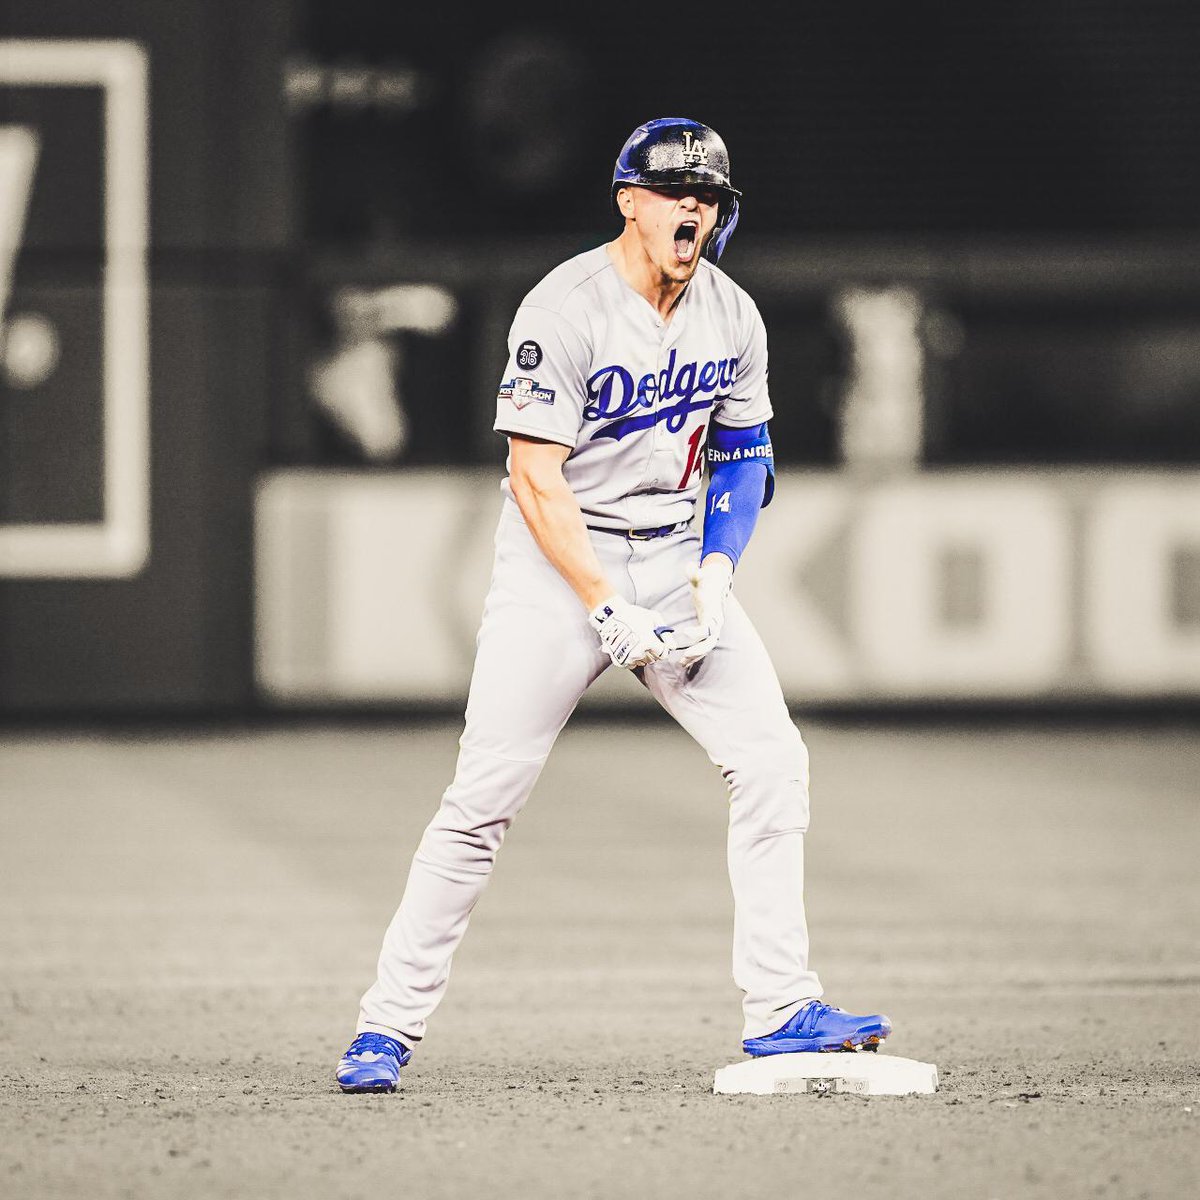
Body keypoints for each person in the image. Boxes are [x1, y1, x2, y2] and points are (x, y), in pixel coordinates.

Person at [335, 117, 892, 1092]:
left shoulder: (733, 315)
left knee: (772, 763)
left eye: (708, 196)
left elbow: (746, 456)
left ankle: (780, 1007)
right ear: (630, 200)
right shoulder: (565, 308)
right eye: (676, 191)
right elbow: (535, 476)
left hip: (673, 556)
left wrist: (716, 570)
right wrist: (600, 602)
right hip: (556, 568)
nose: (693, 209)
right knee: (482, 802)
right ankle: (386, 1026)